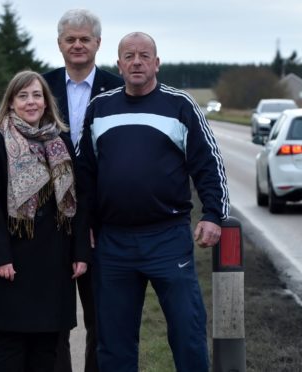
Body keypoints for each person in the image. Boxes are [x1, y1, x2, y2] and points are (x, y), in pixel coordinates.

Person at [78, 32, 230, 372]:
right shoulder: (100, 107)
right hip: (113, 241)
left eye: (144, 55)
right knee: (113, 340)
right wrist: (83, 223)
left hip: (168, 238)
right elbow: (84, 172)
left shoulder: (180, 105)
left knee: (187, 331)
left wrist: (213, 214)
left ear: (156, 63)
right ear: (118, 64)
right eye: (129, 56)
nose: (136, 61)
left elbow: (208, 164)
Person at [0, 70, 90, 371]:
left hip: (54, 263)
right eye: (22, 96)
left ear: (47, 102)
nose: (31, 102)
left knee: (47, 350)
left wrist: (80, 253)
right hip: (11, 264)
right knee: (8, 347)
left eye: (37, 95)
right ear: (10, 103)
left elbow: (76, 201)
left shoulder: (61, 143)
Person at [42, 9, 123, 372]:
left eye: (84, 39)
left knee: (101, 320)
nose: (77, 45)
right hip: (50, 222)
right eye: (70, 39)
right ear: (59, 44)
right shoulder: (39, 88)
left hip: (102, 223)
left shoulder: (118, 90)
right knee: (53, 320)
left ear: (98, 44)